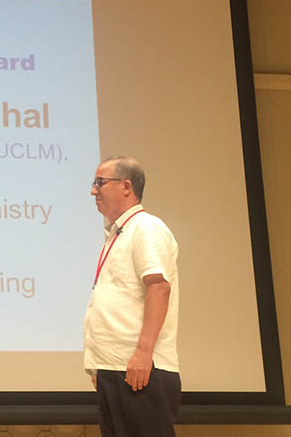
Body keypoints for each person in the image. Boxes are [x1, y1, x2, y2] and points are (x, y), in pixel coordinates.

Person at [84, 156, 181, 437]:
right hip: (115, 367)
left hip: (139, 369)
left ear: (126, 186)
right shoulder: (116, 235)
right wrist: (99, 365)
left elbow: (159, 287)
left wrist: (143, 353)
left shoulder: (146, 228)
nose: (93, 190)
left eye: (100, 182)